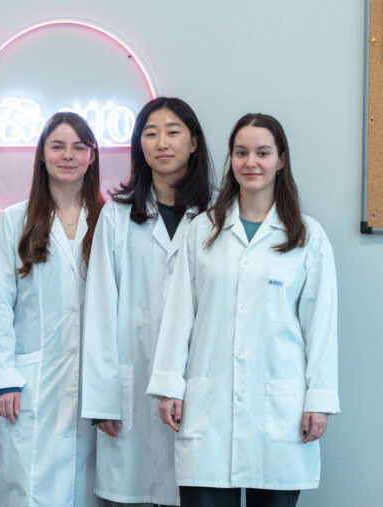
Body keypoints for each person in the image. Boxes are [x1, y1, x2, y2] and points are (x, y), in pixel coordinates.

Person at [146, 113, 339, 507]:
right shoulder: (203, 230)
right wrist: (169, 386)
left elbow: (321, 327)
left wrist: (318, 399)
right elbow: (179, 314)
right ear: (231, 159)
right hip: (209, 407)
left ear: (281, 160)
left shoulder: (307, 237)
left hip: (280, 410)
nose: (251, 162)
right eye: (241, 152)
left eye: (262, 153)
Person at [81, 97, 213, 507]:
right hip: (132, 380)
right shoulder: (117, 214)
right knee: (132, 492)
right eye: (150, 134)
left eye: (173, 132)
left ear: (194, 142)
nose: (161, 143)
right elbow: (100, 309)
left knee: (196, 489)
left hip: (198, 381)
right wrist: (103, 399)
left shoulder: (216, 214)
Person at [0, 112, 104, 506]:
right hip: (30, 381)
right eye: (57, 146)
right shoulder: (13, 220)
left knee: (85, 488)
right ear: (41, 154)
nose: (68, 155)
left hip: (90, 383)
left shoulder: (109, 220)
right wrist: (2, 379)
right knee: (29, 490)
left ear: (92, 156)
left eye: (78, 147)